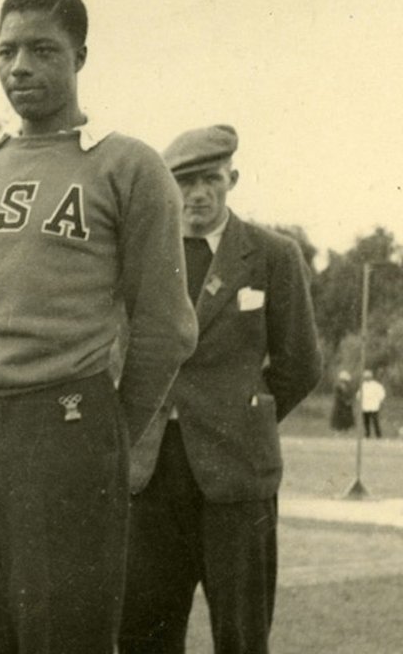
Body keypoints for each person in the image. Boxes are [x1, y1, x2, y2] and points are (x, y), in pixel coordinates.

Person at [0, 0, 198, 653]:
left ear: (80, 56)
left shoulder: (127, 165)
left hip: (65, 421)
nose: (19, 68)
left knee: (64, 632)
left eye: (41, 50)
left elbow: (168, 324)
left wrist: (111, 428)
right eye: (6, 51)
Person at [120, 124, 322, 653]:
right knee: (144, 630)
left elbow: (301, 363)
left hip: (238, 474)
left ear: (232, 179)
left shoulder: (274, 255)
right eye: (184, 182)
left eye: (211, 179)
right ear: (166, 188)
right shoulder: (138, 255)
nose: (198, 194)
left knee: (242, 632)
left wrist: (243, 413)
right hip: (150, 472)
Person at [358, 370, 386, 438]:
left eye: (368, 377)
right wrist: (359, 399)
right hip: (365, 406)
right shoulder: (363, 385)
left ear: (371, 377)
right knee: (366, 422)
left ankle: (378, 435)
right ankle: (367, 435)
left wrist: (380, 400)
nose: (367, 378)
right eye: (365, 377)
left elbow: (381, 393)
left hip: (374, 406)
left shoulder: (376, 385)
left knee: (375, 421)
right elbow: (359, 395)